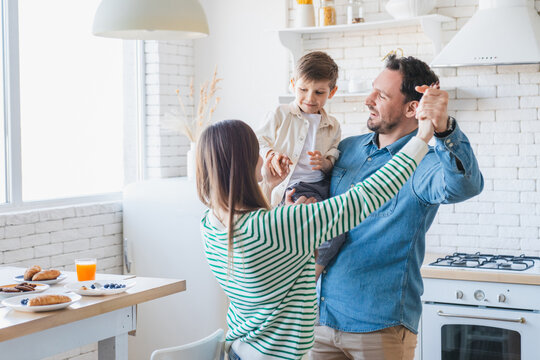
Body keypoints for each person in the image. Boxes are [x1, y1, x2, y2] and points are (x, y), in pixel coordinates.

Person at [196, 116, 434, 360]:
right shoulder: (279, 225)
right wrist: (422, 138)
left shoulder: (210, 222)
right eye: (256, 151)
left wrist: (268, 187)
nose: (261, 158)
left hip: (241, 350)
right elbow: (364, 197)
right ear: (244, 162)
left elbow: (261, 244)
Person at [311, 55, 484, 360]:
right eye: (372, 90)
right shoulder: (348, 148)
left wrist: (444, 129)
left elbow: (465, 186)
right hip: (320, 323)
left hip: (380, 329)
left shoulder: (425, 163)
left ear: (412, 108)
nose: (368, 100)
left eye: (382, 95)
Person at [256, 51, 344, 280]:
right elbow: (259, 139)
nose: (310, 98)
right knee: (295, 228)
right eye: (303, 89)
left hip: (320, 186)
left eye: (319, 92)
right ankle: (300, 276)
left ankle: (313, 274)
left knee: (337, 228)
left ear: (332, 92)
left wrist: (325, 163)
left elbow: (334, 154)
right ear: (293, 84)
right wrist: (272, 154)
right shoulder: (280, 114)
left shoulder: (333, 125)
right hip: (292, 186)